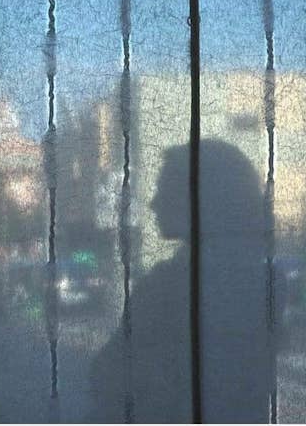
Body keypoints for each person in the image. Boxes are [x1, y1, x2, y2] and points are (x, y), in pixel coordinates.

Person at [90, 139, 268, 423]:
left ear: (199, 198)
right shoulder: (260, 282)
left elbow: (107, 373)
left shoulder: (168, 287)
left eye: (165, 190)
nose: (153, 203)